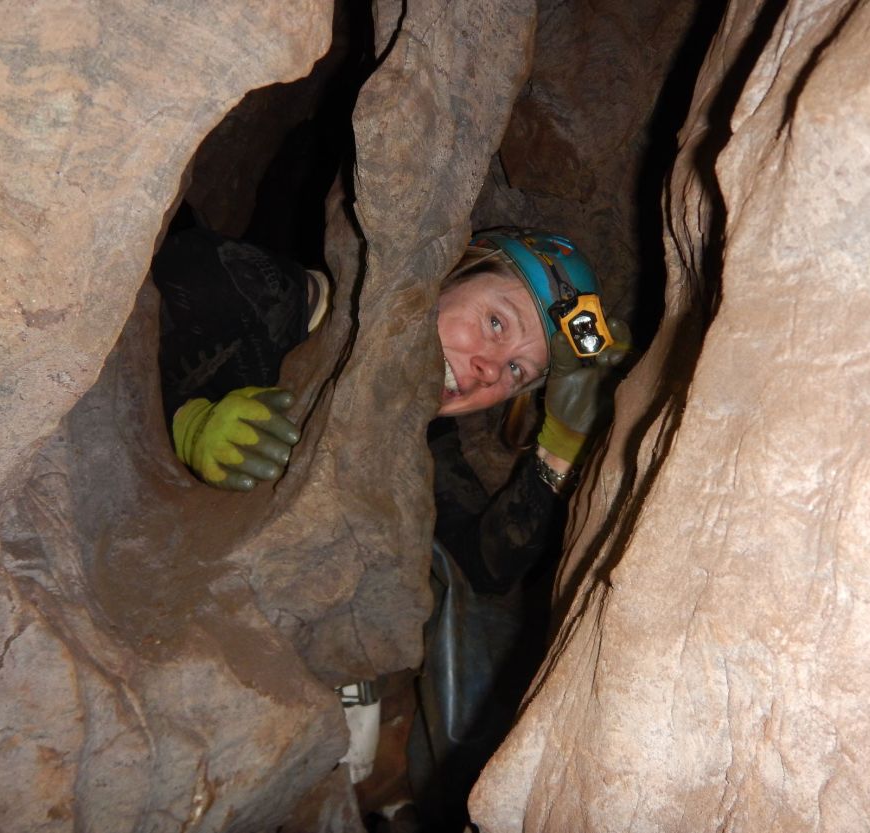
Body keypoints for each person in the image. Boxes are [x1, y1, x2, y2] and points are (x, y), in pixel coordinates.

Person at [152, 223, 631, 830]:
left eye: (517, 373)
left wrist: (560, 445)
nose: (489, 371)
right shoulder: (259, 292)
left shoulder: (414, 439)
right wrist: (182, 423)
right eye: (495, 322)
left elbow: (478, 570)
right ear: (449, 272)